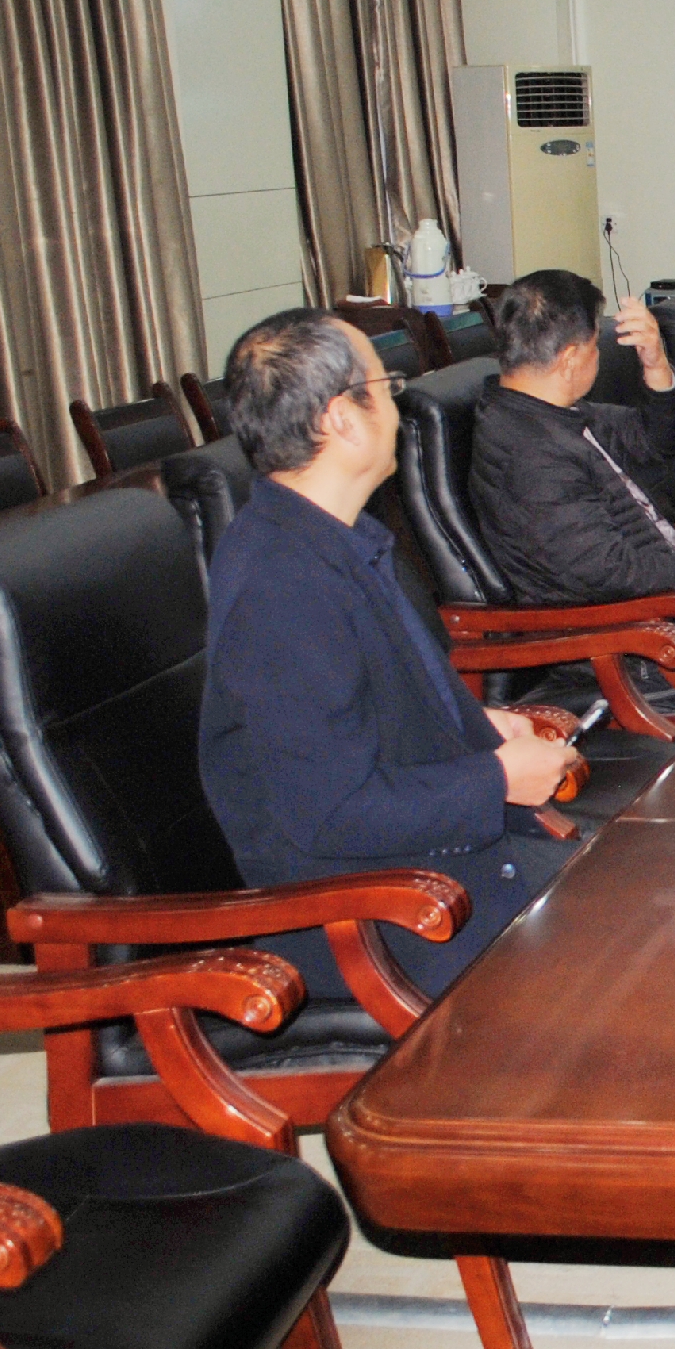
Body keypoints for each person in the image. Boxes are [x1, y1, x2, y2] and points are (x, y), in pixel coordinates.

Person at [200, 308, 582, 1002]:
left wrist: (480, 729)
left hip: (434, 869)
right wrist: (495, 780)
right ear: (341, 419)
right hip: (373, 915)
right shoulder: (279, 586)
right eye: (385, 386)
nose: (397, 406)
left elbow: (368, 712)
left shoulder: (336, 539)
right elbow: (331, 812)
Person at [471, 268, 675, 614]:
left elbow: (656, 442)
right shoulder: (528, 451)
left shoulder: (548, 413)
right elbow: (607, 568)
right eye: (595, 343)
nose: (599, 353)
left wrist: (656, 363)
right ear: (570, 359)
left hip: (673, 604)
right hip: (638, 643)